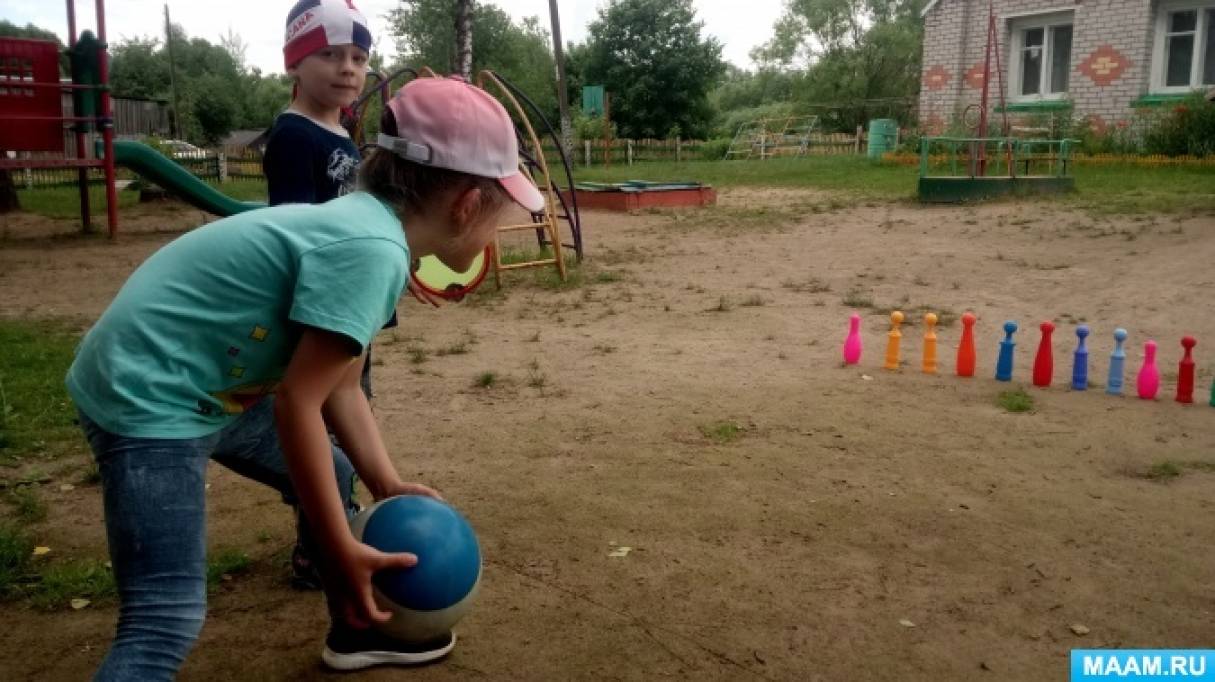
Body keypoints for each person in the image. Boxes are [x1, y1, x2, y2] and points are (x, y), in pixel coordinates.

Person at [67, 76, 544, 679]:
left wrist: (387, 483)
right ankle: (346, 583)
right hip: (150, 395)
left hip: (196, 386)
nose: (496, 233)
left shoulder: (366, 227)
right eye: (500, 214)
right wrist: (338, 545)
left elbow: (340, 386)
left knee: (338, 473)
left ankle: (359, 624)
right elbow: (299, 404)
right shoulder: (374, 251)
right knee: (164, 616)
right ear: (467, 205)